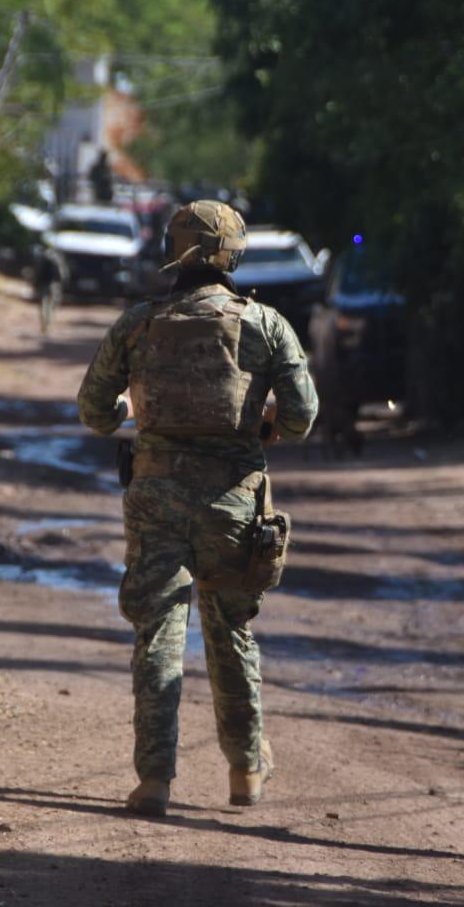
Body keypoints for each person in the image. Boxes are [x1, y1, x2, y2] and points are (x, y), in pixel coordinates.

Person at [76, 200, 319, 818]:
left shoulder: (138, 322)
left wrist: (123, 414)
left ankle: (154, 781)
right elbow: (302, 416)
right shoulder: (266, 324)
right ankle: (244, 772)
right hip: (234, 504)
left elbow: (94, 410)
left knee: (158, 633)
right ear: (233, 254)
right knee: (229, 629)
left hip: (155, 500)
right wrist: (263, 424)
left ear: (171, 248)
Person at [33, 241, 67, 335]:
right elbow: (62, 273)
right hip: (54, 285)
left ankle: (44, 324)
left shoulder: (42, 257)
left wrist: (35, 283)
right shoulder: (56, 257)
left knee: (43, 304)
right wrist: (61, 283)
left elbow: (37, 272)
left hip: (43, 284)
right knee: (51, 305)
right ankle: (47, 323)